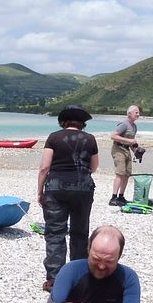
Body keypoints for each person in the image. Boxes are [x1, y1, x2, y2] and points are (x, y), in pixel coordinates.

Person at [39, 225, 142, 303]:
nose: (102, 266)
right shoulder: (71, 270)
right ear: (88, 249)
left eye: (109, 261)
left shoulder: (128, 277)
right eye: (96, 259)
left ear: (119, 256)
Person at [37, 105, 99, 292]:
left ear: (64, 122)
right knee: (80, 232)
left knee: (55, 233)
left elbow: (44, 168)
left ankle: (54, 279)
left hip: (56, 188)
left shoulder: (54, 137)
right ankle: (78, 277)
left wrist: (40, 191)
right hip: (83, 189)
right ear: (82, 124)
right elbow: (94, 167)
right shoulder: (90, 139)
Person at [109, 104, 141, 206]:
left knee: (127, 174)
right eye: (136, 112)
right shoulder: (123, 124)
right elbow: (113, 136)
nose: (138, 114)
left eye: (138, 112)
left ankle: (121, 197)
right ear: (129, 113)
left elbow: (131, 143)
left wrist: (137, 151)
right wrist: (129, 140)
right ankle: (113, 198)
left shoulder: (134, 126)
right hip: (118, 149)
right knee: (120, 173)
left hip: (127, 150)